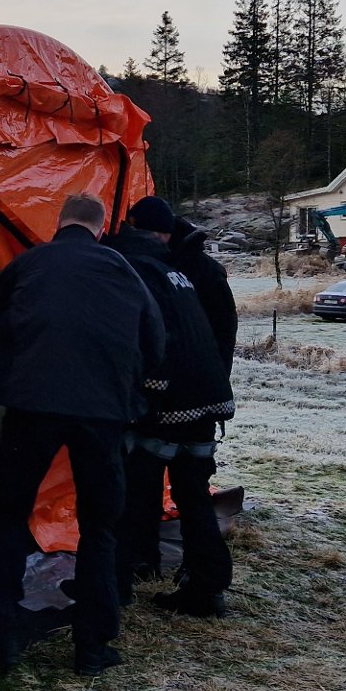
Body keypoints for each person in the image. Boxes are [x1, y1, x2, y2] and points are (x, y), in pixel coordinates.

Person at [0, 191, 165, 674]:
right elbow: (156, 342)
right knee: (99, 527)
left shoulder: (28, 264)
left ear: (59, 224)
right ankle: (92, 648)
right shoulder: (122, 268)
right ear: (100, 228)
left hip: (31, 408)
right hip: (102, 415)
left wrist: (15, 372)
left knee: (9, 517)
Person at [105, 196, 237, 617]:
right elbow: (219, 339)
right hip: (206, 398)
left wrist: (142, 393)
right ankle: (205, 585)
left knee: (135, 486)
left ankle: (122, 578)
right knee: (192, 493)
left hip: (169, 401)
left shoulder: (152, 270)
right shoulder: (187, 270)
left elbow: (154, 340)